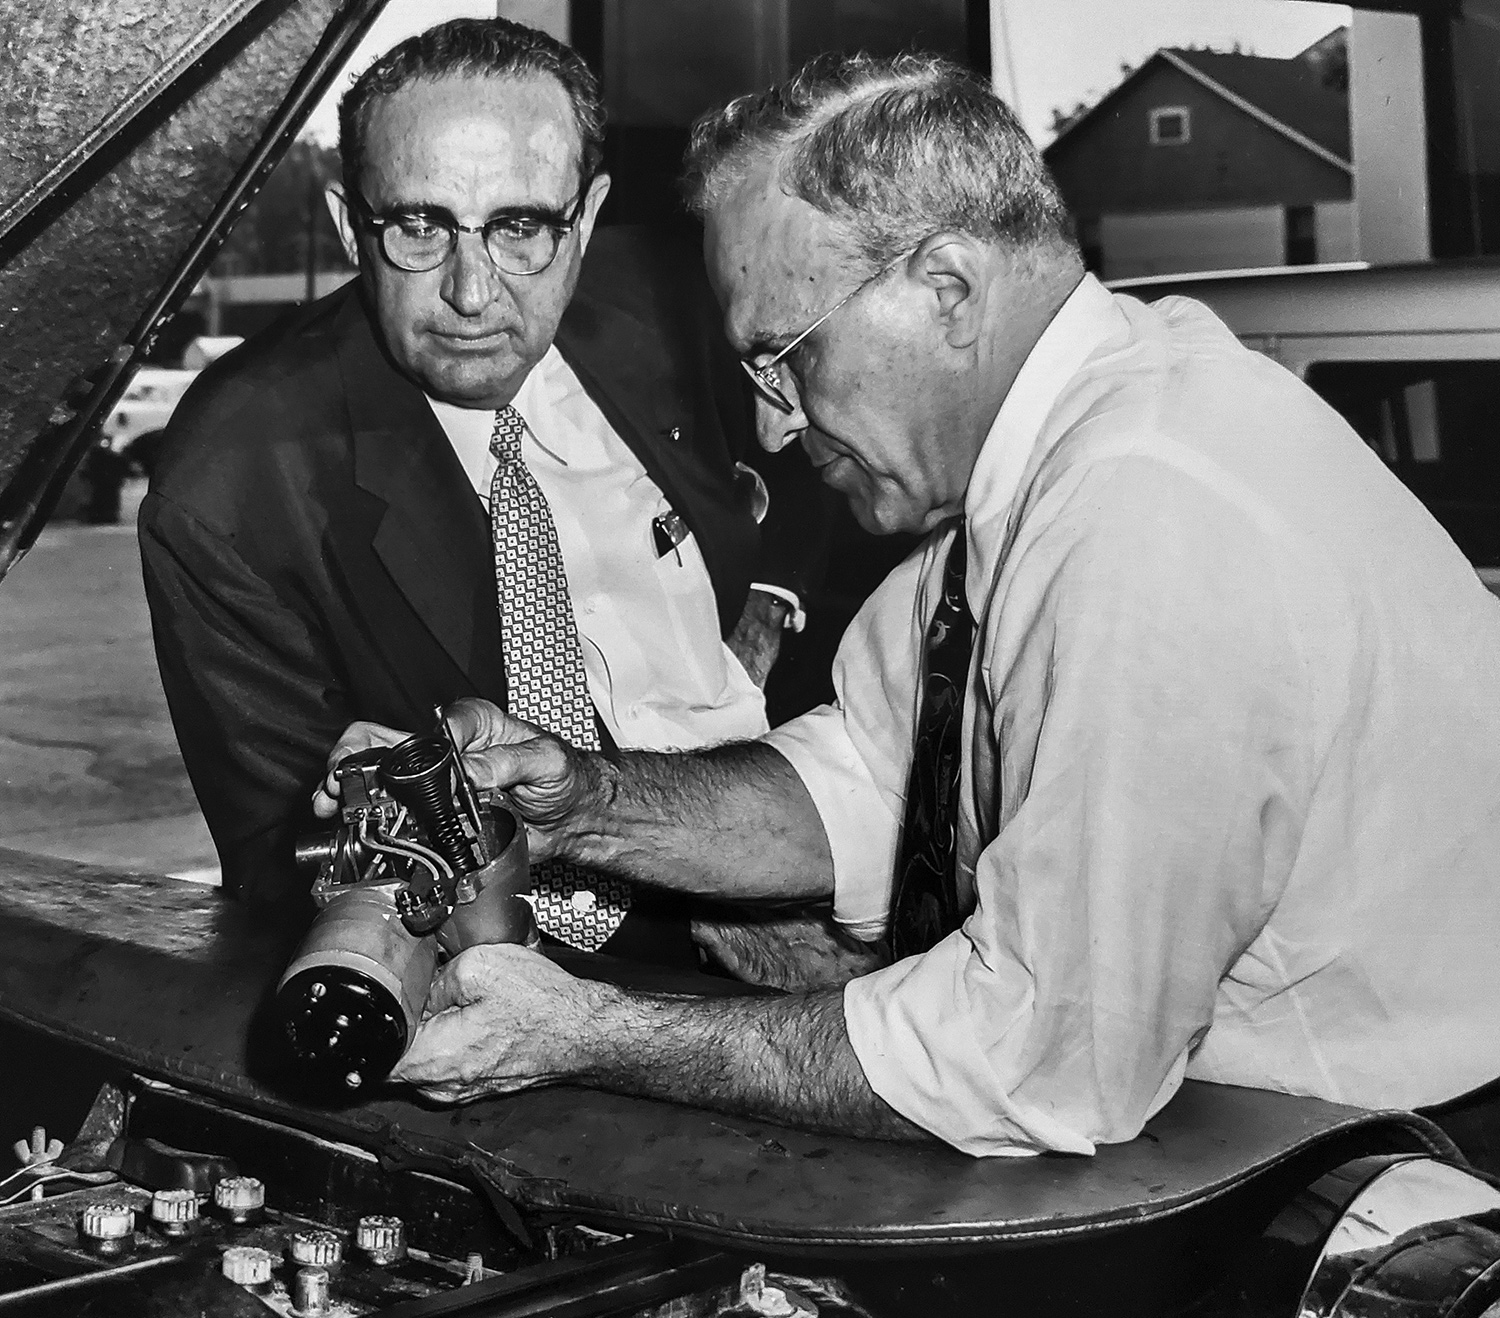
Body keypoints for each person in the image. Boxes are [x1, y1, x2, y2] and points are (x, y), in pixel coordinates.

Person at [317, 51, 1500, 1160]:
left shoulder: (1148, 514)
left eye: (785, 354)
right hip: (1236, 1131)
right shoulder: (1079, 435)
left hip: (1389, 1160)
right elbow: (874, 779)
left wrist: (590, 1035)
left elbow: (1032, 1055)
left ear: (947, 288)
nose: (775, 423)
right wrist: (572, 801)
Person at [139, 18, 823, 965]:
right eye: (419, 226)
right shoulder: (234, 481)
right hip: (535, 969)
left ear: (584, 220)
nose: (471, 292)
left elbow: (843, 467)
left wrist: (769, 613)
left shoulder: (677, 308)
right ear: (350, 226)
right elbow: (284, 867)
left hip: (809, 848)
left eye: (521, 227)